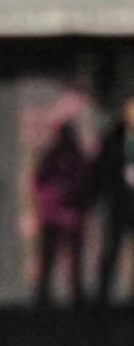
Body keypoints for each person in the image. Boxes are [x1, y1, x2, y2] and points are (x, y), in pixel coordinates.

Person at [31, 121, 92, 308]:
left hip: (61, 217)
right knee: (64, 258)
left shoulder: (56, 158)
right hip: (64, 217)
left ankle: (50, 293)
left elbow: (40, 182)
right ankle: (54, 293)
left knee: (64, 259)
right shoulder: (72, 158)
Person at [93, 91, 134, 307]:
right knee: (112, 250)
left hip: (124, 202)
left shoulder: (113, 138)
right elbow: (102, 170)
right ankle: (103, 295)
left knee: (115, 249)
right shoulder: (114, 138)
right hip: (119, 203)